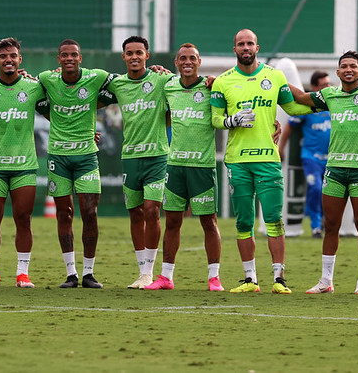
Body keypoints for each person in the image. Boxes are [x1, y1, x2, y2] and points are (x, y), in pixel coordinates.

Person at [210, 29, 313, 294]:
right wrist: (231, 120)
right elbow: (215, 119)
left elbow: (293, 107)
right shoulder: (222, 81)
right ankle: (250, 279)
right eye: (240, 44)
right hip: (237, 161)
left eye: (250, 43)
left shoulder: (274, 76)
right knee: (244, 222)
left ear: (258, 47)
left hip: (268, 159)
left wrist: (327, 103)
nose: (246, 47)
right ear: (234, 49)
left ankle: (279, 279)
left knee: (274, 220)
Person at [287, 52, 358, 295]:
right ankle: (326, 281)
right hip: (334, 171)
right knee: (330, 225)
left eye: (353, 66)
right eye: (344, 66)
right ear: (337, 72)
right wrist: (275, 80)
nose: (348, 69)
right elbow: (302, 97)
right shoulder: (329, 95)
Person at [144, 43, 224, 291]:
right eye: (182, 58)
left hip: (202, 166)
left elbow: (231, 107)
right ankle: (166, 277)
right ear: (176, 63)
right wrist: (157, 68)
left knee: (209, 222)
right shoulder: (168, 86)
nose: (187, 62)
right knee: (172, 221)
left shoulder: (212, 87)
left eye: (192, 58)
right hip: (175, 165)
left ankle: (214, 278)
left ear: (199, 61)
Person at [38, 39, 114, 289]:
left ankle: (89, 273)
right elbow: (31, 94)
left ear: (80, 58)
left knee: (90, 213)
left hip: (86, 157)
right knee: (64, 213)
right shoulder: (47, 79)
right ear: (58, 59)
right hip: (58, 158)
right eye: (64, 55)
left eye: (74, 55)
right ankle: (71, 274)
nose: (69, 58)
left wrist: (156, 70)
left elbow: (125, 83)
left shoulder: (97, 77)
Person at [0, 38, 48, 288]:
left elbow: (63, 100)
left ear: (20, 59)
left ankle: (22, 273)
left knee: (23, 218)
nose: (8, 60)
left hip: (25, 165)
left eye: (13, 55)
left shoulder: (34, 86)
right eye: (4, 56)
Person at [103, 36, 172, 289]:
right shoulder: (117, 84)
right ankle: (141, 270)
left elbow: (185, 91)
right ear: (123, 57)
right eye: (129, 53)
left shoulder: (161, 79)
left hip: (157, 157)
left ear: (147, 55)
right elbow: (84, 100)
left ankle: (149, 273)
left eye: (139, 52)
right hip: (130, 157)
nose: (134, 56)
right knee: (135, 213)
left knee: (152, 210)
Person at [278, 71, 331, 238]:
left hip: (331, 159)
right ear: (314, 88)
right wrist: (280, 148)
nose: (328, 88)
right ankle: (316, 225)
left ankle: (324, 220)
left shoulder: (334, 104)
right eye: (323, 85)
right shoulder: (309, 107)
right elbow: (289, 126)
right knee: (315, 188)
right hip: (311, 158)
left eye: (329, 84)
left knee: (328, 193)